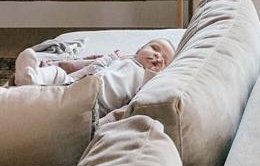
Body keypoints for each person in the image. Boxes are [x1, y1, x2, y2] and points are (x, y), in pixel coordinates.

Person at [13, 39, 174, 117]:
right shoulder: (123, 61)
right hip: (80, 84)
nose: (157, 55)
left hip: (97, 101)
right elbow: (95, 67)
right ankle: (31, 77)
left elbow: (145, 93)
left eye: (164, 59)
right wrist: (108, 58)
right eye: (154, 48)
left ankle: (31, 84)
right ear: (139, 49)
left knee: (58, 97)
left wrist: (154, 73)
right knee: (57, 73)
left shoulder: (146, 77)